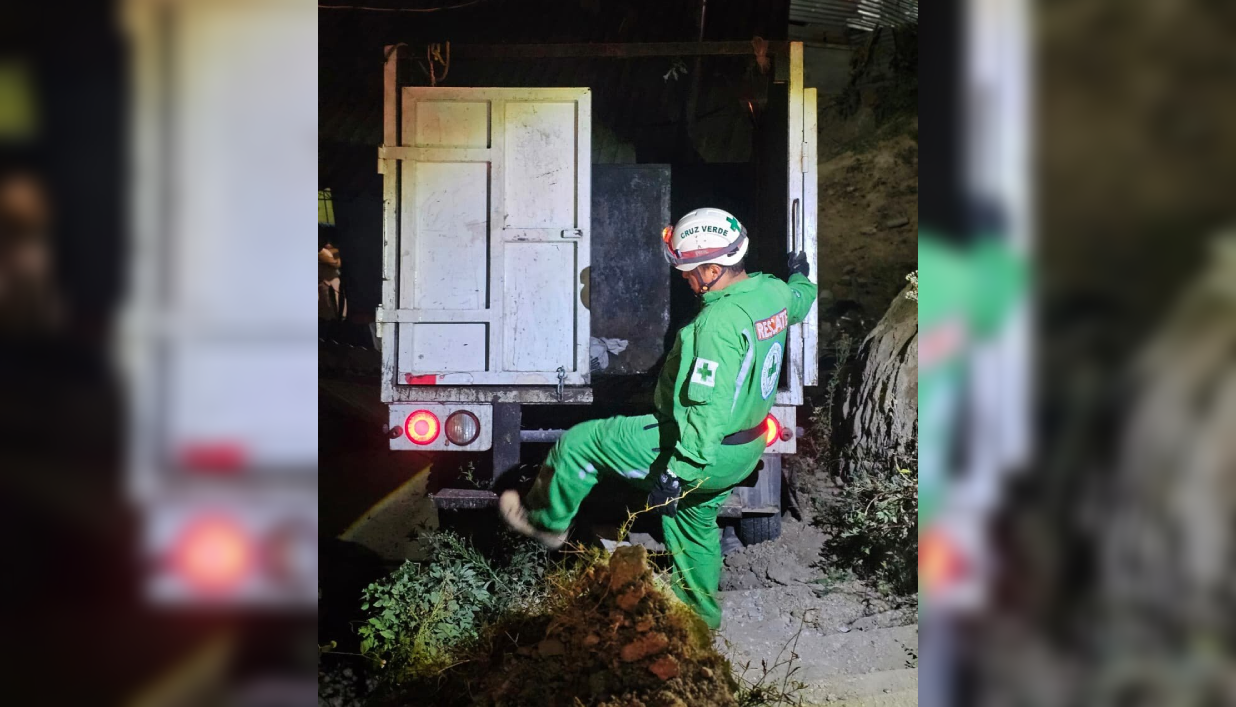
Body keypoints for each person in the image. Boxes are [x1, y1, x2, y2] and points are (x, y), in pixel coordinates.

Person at [499, 207, 818, 629]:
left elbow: (707, 409)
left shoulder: (716, 324)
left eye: (687, 270)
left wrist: (679, 470)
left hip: (703, 450)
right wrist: (801, 276)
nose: (685, 279)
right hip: (745, 448)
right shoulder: (773, 293)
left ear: (710, 269)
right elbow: (801, 299)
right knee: (693, 524)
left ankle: (545, 522)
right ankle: (699, 624)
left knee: (580, 445)